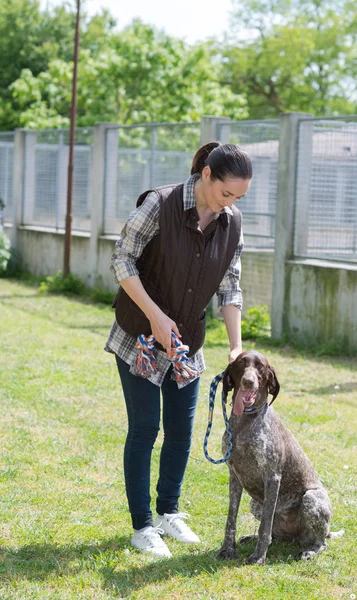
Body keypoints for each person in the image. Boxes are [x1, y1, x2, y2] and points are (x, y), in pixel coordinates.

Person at [105, 141, 252, 558]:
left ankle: (168, 511)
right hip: (140, 338)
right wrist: (153, 315)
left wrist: (236, 347)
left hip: (187, 343)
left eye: (239, 198)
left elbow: (230, 286)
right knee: (146, 428)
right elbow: (122, 259)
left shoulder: (231, 222)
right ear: (207, 174)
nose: (230, 204)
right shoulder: (160, 204)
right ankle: (142, 526)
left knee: (181, 432)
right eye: (227, 194)